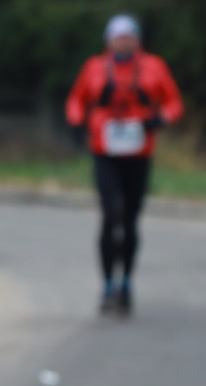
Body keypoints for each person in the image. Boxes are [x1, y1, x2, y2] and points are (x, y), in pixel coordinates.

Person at [65, 13, 183, 315]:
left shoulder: (154, 67)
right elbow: (76, 101)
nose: (123, 41)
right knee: (110, 213)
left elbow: (173, 103)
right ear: (109, 40)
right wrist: (77, 122)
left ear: (138, 40)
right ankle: (107, 285)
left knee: (130, 220)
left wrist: (161, 120)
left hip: (139, 151)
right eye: (118, 36)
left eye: (129, 36)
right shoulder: (94, 67)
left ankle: (126, 283)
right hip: (105, 150)